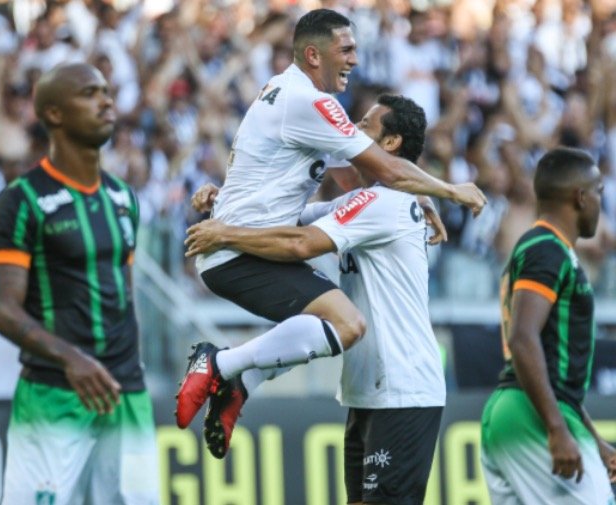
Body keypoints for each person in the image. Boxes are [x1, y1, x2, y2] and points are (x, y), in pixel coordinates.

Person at [175, 8, 484, 457]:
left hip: (244, 242)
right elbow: (382, 172)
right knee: (345, 322)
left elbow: (355, 179)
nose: (355, 59)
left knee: (325, 324)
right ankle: (223, 364)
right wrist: (450, 189)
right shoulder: (311, 103)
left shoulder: (294, 96)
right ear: (315, 55)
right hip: (241, 250)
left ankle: (243, 378)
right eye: (347, 49)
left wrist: (419, 197)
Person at [187, 94, 444, 502]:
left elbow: (299, 243)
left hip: (404, 389)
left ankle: (230, 367)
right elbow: (281, 221)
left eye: (365, 125)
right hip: (371, 389)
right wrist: (224, 201)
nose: (353, 131)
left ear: (390, 143)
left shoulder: (385, 202)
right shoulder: (363, 201)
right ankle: (237, 375)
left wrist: (226, 234)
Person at [0, 63, 159, 504]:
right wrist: (72, 359)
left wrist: (129, 365)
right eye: (89, 93)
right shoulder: (21, 200)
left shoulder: (123, 196)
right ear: (55, 114)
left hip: (125, 394)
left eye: (107, 90)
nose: (106, 101)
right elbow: (2, 310)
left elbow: (125, 292)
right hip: (53, 394)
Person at [480, 147, 616, 504]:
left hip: (519, 409)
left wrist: (590, 436)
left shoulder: (545, 248)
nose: (601, 204)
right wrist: (556, 428)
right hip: (531, 415)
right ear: (580, 196)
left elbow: (548, 356)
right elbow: (523, 339)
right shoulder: (546, 249)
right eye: (599, 193)